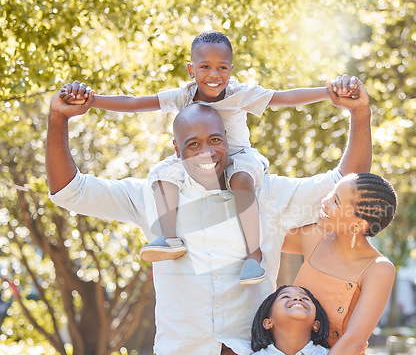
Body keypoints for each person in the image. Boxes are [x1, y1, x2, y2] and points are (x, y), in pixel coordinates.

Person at [46, 74, 372, 355]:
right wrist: (58, 119)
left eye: (216, 140)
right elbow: (70, 191)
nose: (207, 152)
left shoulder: (268, 194)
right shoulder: (154, 196)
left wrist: (360, 115)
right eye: (193, 144)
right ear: (176, 149)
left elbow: (345, 184)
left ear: (228, 140)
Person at [60, 30, 358, 284]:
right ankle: (169, 238)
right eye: (205, 68)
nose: (214, 76)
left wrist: (328, 93)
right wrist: (94, 101)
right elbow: (137, 103)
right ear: (192, 70)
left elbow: (285, 98)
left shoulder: (240, 94)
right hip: (196, 160)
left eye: (222, 68)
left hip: (238, 156)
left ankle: (253, 254)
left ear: (231, 69)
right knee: (162, 175)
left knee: (241, 181)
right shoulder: (184, 95)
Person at [274, 172, 398, 355]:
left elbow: (352, 342)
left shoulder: (379, 269)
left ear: (358, 225)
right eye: (331, 194)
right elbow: (263, 238)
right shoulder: (313, 237)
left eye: (336, 201)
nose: (325, 201)